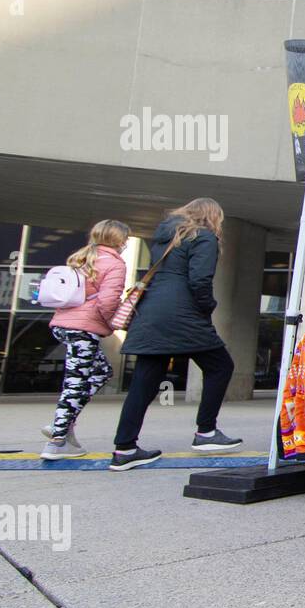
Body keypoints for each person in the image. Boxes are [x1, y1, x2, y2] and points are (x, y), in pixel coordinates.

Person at [111, 198, 242, 471]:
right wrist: (208, 306)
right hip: (183, 317)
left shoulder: (165, 237)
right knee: (221, 366)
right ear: (213, 217)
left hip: (151, 315)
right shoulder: (204, 237)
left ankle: (124, 448)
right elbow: (200, 280)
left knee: (143, 384)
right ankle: (206, 432)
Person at [41, 220, 130, 460]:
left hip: (63, 325)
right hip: (83, 329)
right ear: (119, 240)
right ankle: (58, 440)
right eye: (126, 239)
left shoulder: (81, 257)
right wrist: (112, 323)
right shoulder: (114, 263)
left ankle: (63, 422)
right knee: (75, 381)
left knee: (101, 372)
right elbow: (108, 301)